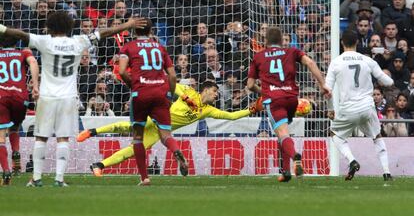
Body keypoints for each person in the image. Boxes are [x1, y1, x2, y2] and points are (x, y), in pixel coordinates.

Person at [0, 11, 146, 187]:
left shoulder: (44, 41)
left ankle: (36, 178)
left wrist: (2, 28)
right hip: (68, 97)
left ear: (50, 27)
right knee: (63, 138)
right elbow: (105, 32)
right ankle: (59, 179)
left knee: (41, 137)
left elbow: (19, 34)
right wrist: (128, 25)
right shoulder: (78, 41)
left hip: (47, 96)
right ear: (70, 27)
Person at [77, 81, 263, 176]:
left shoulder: (208, 110)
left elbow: (230, 116)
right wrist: (183, 96)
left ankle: (99, 165)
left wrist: (252, 109)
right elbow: (170, 84)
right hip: (156, 117)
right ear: (206, 90)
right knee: (127, 127)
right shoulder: (189, 91)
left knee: (135, 150)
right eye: (215, 92)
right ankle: (92, 132)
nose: (216, 96)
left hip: (163, 130)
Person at [246, 26, 331, 182]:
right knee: (282, 135)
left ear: (266, 41)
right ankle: (285, 172)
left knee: (282, 133)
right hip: (292, 99)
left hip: (274, 100)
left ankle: (295, 157)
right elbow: (310, 63)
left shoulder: (259, 56)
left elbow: (250, 85)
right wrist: (323, 84)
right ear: (281, 41)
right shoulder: (292, 51)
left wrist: (262, 92)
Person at [117, 17, 179, 186]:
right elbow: (172, 75)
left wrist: (133, 85)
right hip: (161, 93)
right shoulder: (160, 47)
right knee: (165, 134)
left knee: (138, 137)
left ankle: (144, 178)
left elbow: (122, 71)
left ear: (133, 30)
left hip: (141, 94)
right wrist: (169, 95)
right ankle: (177, 151)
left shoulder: (128, 47)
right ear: (151, 31)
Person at [326, 31, 393, 181]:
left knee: (335, 135)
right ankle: (387, 173)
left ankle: (352, 160)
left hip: (348, 108)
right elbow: (388, 82)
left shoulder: (336, 62)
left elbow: (327, 91)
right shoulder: (367, 60)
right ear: (357, 43)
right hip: (367, 107)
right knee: (376, 136)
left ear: (342, 43)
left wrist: (331, 109)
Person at [0, 35, 39, 185]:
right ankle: (16, 151)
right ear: (16, 42)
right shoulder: (24, 53)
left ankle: (6, 171)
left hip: (1, 97)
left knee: (1, 137)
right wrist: (35, 86)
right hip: (20, 97)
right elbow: (34, 62)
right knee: (15, 126)